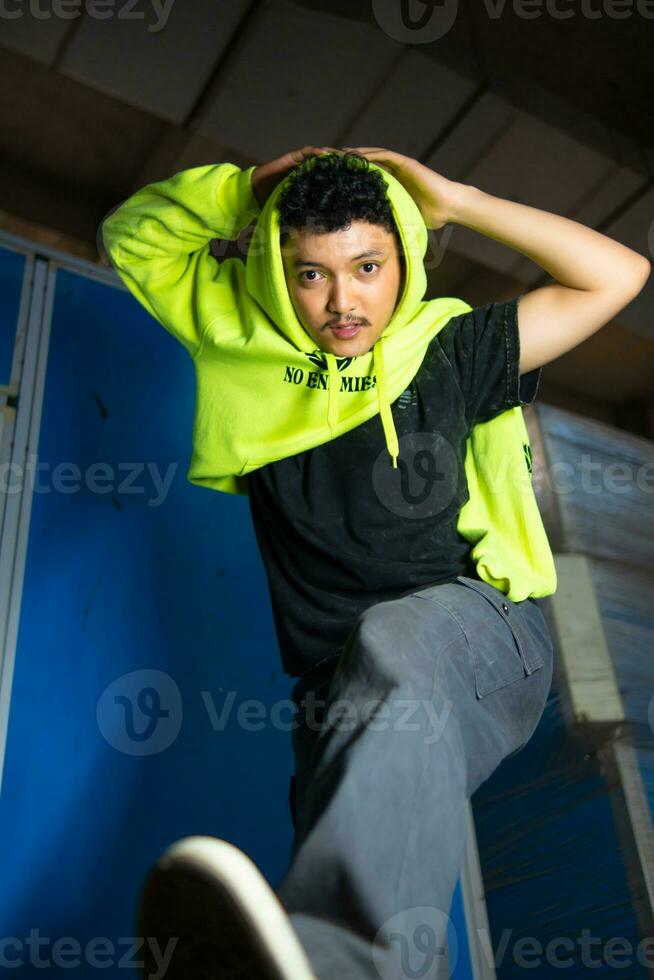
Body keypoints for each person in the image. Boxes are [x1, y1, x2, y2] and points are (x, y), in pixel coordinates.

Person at [100, 147, 650, 979]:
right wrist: (245, 188)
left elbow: (616, 274)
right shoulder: (237, 340)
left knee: (397, 648)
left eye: (366, 266)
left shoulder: (455, 349)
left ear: (405, 258)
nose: (343, 300)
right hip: (340, 686)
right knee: (370, 881)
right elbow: (132, 236)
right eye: (311, 274)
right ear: (278, 274)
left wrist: (459, 199)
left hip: (482, 635)